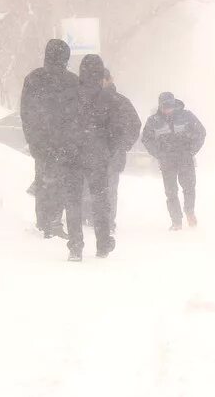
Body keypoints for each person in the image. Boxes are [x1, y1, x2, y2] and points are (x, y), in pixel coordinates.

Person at [64, 54, 124, 261]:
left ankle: (75, 246)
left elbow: (59, 124)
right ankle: (103, 244)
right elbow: (117, 128)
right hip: (97, 155)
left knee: (73, 200)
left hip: (72, 153)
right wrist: (109, 149)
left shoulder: (70, 94)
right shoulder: (108, 97)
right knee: (100, 200)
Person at [20, 39, 79, 239]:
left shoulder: (33, 78)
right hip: (64, 142)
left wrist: (32, 139)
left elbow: (26, 112)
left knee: (43, 180)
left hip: (40, 141)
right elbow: (77, 114)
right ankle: (54, 221)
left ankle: (43, 221)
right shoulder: (72, 81)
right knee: (60, 182)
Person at [81, 69, 141, 232]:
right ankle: (88, 218)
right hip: (92, 153)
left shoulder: (120, 101)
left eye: (101, 80)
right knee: (89, 186)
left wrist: (122, 146)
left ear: (109, 80)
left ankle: (105, 222)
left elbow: (135, 125)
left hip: (111, 155)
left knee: (108, 188)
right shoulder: (88, 100)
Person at [142, 92, 206, 230]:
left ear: (174, 104)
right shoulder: (153, 121)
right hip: (167, 161)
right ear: (160, 106)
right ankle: (176, 221)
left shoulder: (187, 116)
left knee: (189, 188)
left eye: (170, 106)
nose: (167, 109)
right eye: (164, 106)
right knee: (171, 192)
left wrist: (191, 151)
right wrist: (159, 154)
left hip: (185, 159)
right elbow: (146, 139)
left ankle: (189, 211)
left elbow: (201, 132)